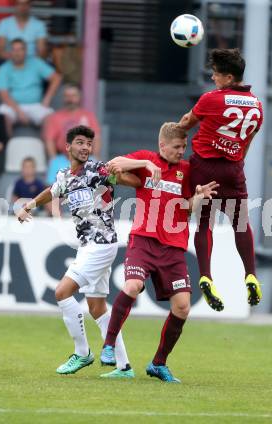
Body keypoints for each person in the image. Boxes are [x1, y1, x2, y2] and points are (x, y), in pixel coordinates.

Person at [16, 125, 141, 378]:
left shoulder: (98, 170)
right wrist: (28, 206)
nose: (86, 147)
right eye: (81, 142)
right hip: (89, 246)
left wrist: (130, 172)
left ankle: (82, 353)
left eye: (89, 144)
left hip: (101, 244)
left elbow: (134, 181)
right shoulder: (64, 176)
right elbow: (52, 192)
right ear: (68, 147)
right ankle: (124, 366)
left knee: (62, 292)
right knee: (97, 307)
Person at [101, 122, 218, 383]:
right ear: (162, 145)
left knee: (183, 306)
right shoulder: (147, 159)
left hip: (174, 247)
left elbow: (188, 209)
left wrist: (198, 197)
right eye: (177, 147)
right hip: (144, 239)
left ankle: (158, 363)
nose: (181, 151)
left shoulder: (187, 171)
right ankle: (108, 345)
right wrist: (146, 165)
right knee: (132, 286)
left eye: (184, 146)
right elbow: (112, 165)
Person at [178, 48, 264, 311]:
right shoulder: (257, 106)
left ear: (228, 77)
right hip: (234, 169)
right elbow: (246, 142)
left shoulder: (211, 99)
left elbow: (186, 122)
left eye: (216, 75)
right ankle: (250, 274)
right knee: (241, 224)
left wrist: (174, 134)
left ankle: (205, 275)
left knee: (204, 224)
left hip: (204, 166)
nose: (213, 78)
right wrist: (237, 161)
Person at [0, 38, 61, 130]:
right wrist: (19, 111)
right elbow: (4, 95)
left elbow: (56, 78)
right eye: (14, 50)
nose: (17, 53)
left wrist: (47, 98)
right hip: (12, 106)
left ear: (26, 51)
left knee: (50, 119)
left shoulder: (36, 63)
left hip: (35, 104)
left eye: (20, 49)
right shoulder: (3, 68)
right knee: (2, 118)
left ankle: (48, 144)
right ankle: (7, 144)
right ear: (10, 52)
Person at [43, 85, 101, 160]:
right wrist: (54, 160)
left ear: (79, 97)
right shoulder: (55, 117)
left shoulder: (89, 116)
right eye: (67, 96)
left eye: (73, 96)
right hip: (63, 159)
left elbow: (96, 138)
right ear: (63, 98)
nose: (70, 99)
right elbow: (49, 140)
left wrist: (95, 157)